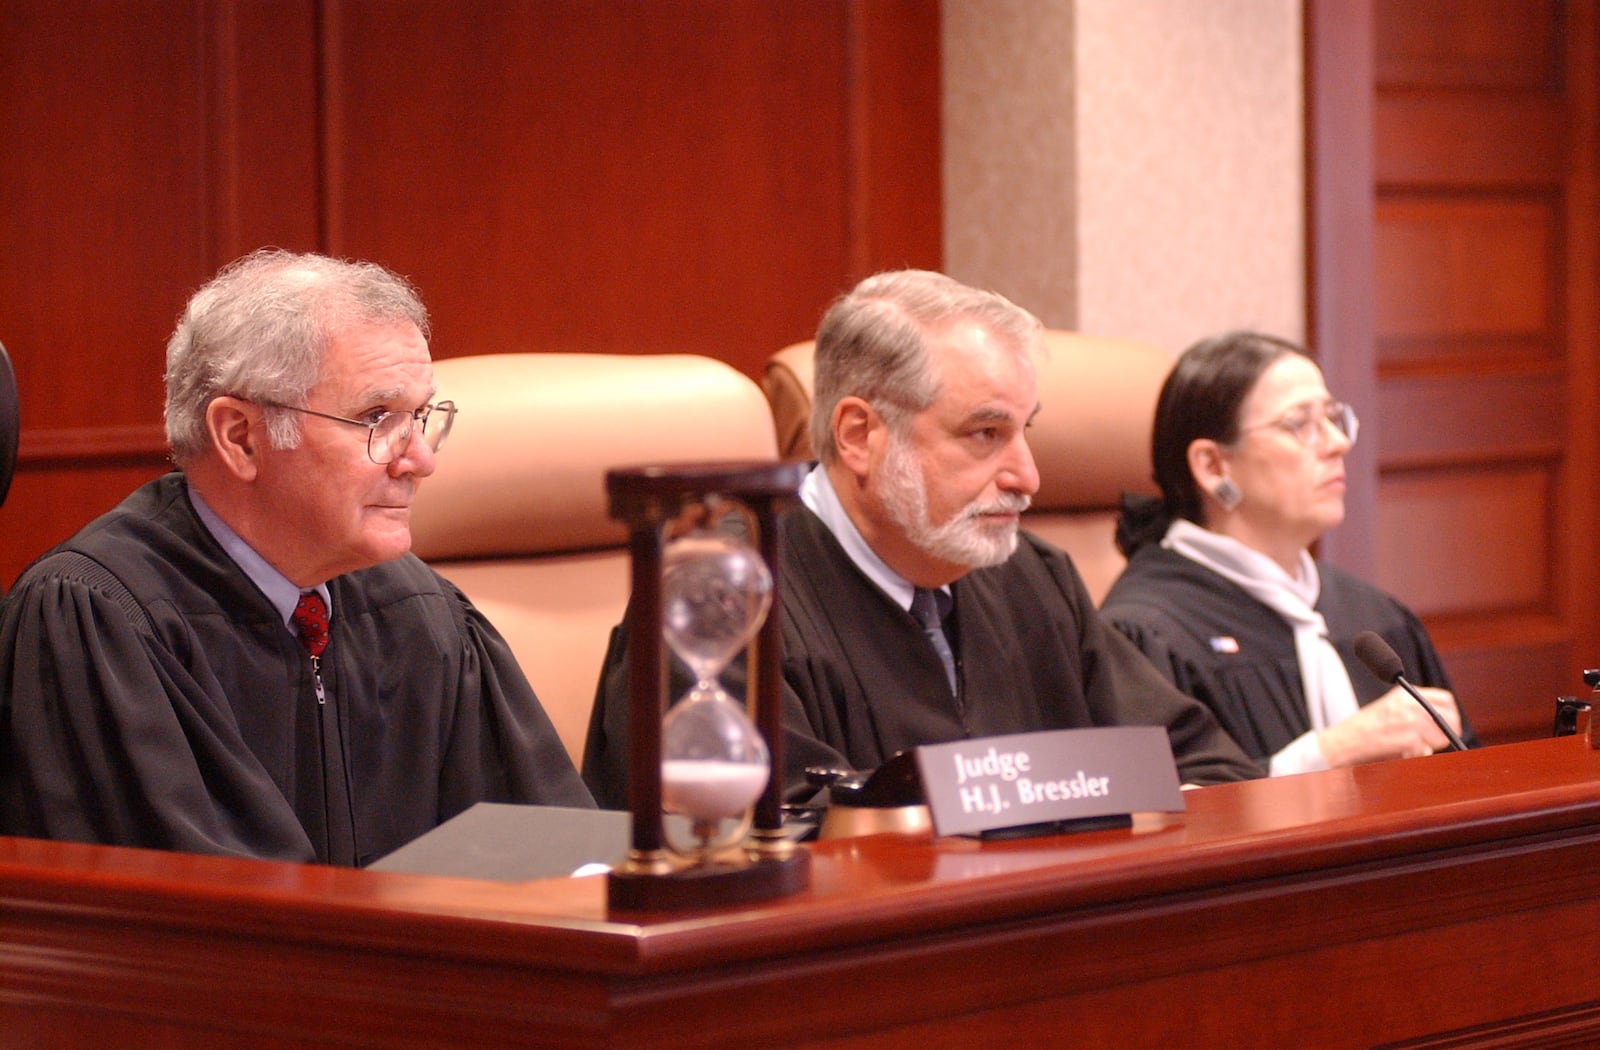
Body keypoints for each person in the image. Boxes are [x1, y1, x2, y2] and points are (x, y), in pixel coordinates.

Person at [583, 270, 1259, 809]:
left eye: (1028, 431)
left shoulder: (1033, 577)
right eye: (985, 434)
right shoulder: (722, 597)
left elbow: (1206, 766)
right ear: (859, 436)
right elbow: (767, 843)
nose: (1028, 475)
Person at [0, 249, 592, 865]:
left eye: (421, 417)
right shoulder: (99, 621)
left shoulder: (424, 613)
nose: (421, 459)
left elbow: (555, 860)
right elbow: (205, 929)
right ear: (241, 437)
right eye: (377, 417)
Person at [1099, 330, 1476, 776]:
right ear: (1213, 466)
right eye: (1300, 424)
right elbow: (1157, 821)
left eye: (1335, 418)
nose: (1338, 442)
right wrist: (1330, 753)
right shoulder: (1144, 634)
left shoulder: (1373, 619)